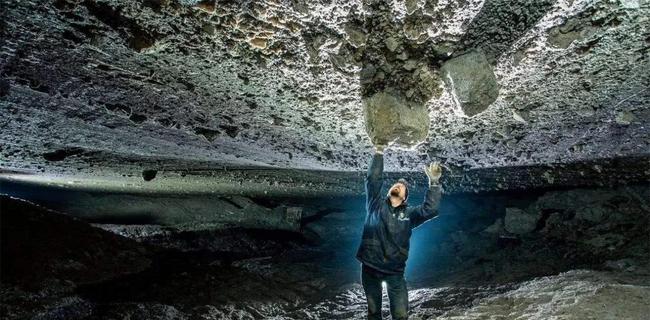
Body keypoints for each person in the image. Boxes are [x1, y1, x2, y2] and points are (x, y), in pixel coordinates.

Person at [356, 144, 443, 320]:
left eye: (401, 187)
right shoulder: (375, 205)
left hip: (395, 272)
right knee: (373, 313)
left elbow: (430, 210)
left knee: (401, 315)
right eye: (395, 185)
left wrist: (434, 183)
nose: (397, 186)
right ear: (389, 192)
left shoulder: (409, 214)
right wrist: (379, 152)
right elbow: (373, 180)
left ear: (404, 198)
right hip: (370, 269)